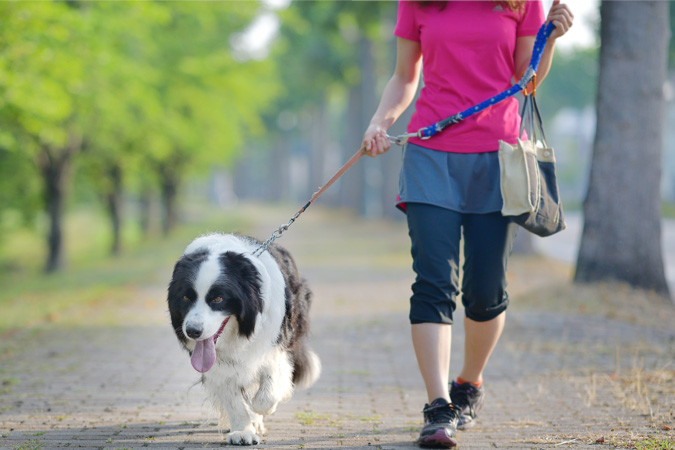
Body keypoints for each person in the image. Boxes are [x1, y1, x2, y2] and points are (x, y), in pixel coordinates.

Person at [361, 1, 573, 448]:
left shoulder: (521, 3)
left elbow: (526, 80)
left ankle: (468, 385)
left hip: (497, 158)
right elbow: (404, 76)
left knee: (485, 288)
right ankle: (438, 408)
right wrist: (380, 123)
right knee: (434, 281)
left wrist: (548, 39)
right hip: (429, 153)